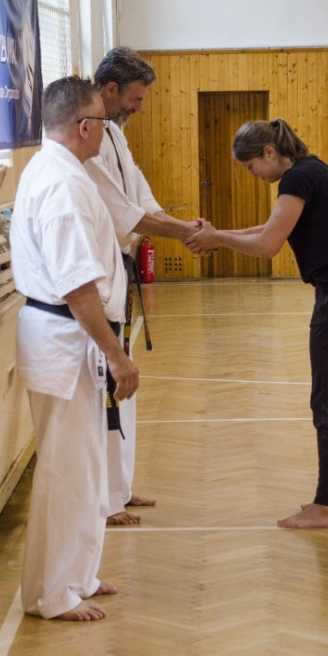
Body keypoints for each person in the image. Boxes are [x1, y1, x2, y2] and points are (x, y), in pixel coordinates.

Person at [186, 118, 328, 530]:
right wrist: (220, 234)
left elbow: (267, 245)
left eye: (251, 166)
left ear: (270, 152)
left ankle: (325, 508)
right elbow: (269, 227)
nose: (252, 175)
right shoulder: (311, 170)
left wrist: (217, 239)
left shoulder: (297, 179)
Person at [10, 76, 139, 620]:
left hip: (69, 338)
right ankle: (50, 593)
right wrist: (117, 355)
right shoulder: (60, 184)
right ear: (85, 127)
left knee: (84, 468)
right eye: (103, 122)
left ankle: (77, 574)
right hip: (66, 338)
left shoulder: (60, 170)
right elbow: (77, 287)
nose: (107, 131)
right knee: (65, 473)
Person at [85, 47, 199, 526]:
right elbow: (123, 213)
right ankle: (104, 500)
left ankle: (119, 487)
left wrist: (179, 226)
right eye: (136, 97)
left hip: (119, 273)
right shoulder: (87, 139)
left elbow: (141, 197)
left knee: (124, 386)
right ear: (111, 89)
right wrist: (186, 232)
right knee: (105, 390)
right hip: (97, 277)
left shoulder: (114, 133)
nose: (138, 107)